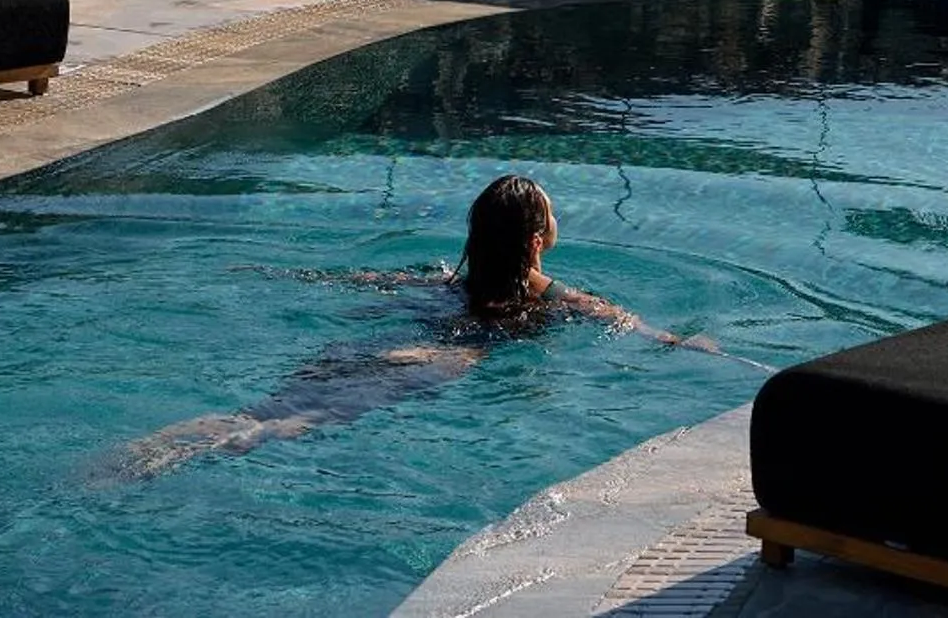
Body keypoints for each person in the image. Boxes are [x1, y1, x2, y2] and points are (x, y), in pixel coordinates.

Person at [112, 175, 704, 479]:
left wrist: (279, 273)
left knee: (270, 408)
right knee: (298, 422)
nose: (557, 220)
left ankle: (164, 444)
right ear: (535, 241)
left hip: (391, 343)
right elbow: (633, 327)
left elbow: (366, 281)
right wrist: (690, 344)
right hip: (445, 360)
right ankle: (191, 453)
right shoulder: (556, 295)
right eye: (553, 215)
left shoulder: (448, 279)